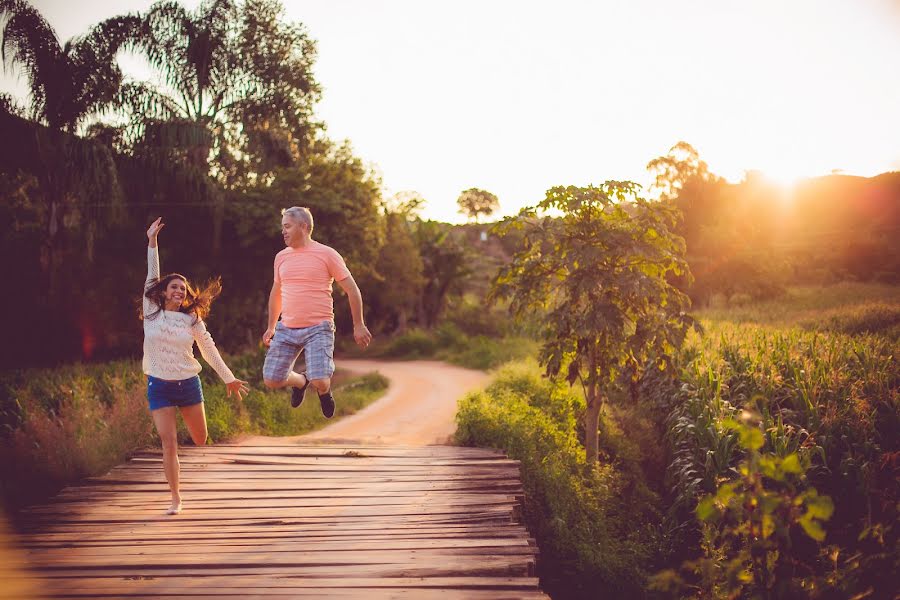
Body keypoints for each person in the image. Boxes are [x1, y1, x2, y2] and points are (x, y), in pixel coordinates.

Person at [142, 217, 249, 515]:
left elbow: (209, 349)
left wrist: (229, 378)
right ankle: (176, 498)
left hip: (188, 383)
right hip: (159, 385)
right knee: (169, 442)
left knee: (200, 439)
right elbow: (152, 274)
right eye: (174, 286)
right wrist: (152, 241)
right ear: (163, 291)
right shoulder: (151, 310)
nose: (179, 290)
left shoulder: (192, 319)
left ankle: (181, 485)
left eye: (183, 288)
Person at [262, 207, 372, 417]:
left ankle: (324, 391)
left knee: (320, 380)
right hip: (286, 327)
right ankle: (300, 381)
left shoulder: (327, 254)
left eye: (287, 226)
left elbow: (352, 289)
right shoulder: (281, 257)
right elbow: (277, 293)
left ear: (303, 226)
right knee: (271, 379)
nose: (282, 231)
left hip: (318, 328)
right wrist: (271, 326)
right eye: (282, 227)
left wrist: (359, 325)